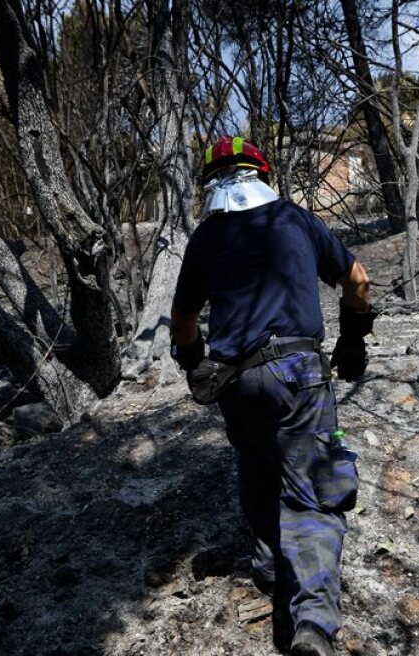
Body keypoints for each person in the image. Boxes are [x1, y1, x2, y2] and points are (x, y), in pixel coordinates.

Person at [169, 136, 375, 656]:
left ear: (211, 184)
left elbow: (183, 321)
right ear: (262, 173)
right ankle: (313, 624)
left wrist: (192, 363)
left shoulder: (206, 237)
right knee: (313, 494)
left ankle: (269, 570)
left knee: (258, 465)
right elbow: (358, 279)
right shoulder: (295, 219)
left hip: (236, 381)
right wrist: (353, 338)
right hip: (298, 372)